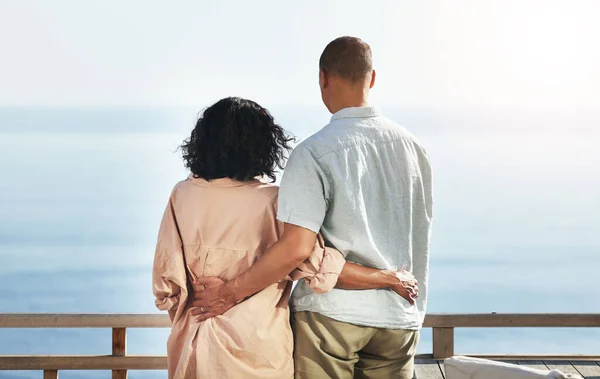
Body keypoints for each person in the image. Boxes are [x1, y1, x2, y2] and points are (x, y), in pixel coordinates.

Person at [190, 37, 433, 379]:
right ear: (372, 78)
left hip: (331, 318)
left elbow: (296, 248)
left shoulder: (313, 153)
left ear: (323, 78)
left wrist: (229, 293)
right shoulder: (414, 148)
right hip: (400, 316)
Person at [152, 97, 419, 379]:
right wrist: (387, 278)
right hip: (259, 350)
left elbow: (166, 287)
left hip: (194, 348)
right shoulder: (274, 202)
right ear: (263, 145)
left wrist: (195, 325)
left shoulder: (181, 196)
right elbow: (322, 268)